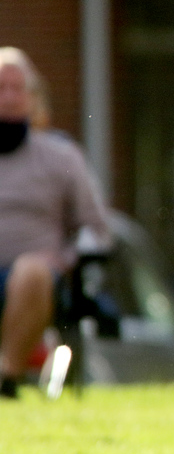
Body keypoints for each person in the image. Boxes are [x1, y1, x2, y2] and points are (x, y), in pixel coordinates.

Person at [0, 47, 110, 398]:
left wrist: (65, 259)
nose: (10, 98)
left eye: (19, 89)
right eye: (2, 88)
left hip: (38, 280)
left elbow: (97, 229)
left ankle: (6, 376)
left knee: (31, 271)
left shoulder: (62, 158)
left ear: (33, 99)